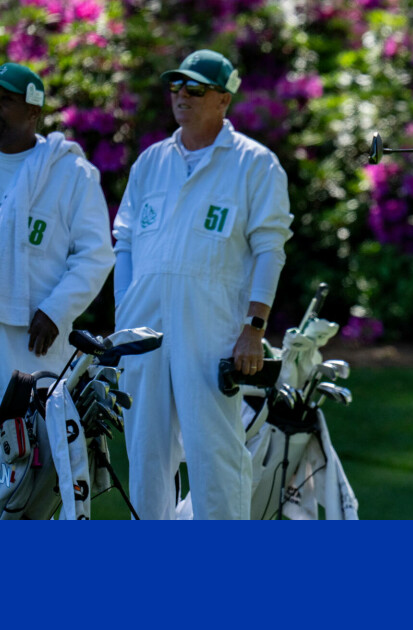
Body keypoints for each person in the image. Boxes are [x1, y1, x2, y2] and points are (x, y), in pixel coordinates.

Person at [112, 50, 293, 519]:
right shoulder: (151, 161)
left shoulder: (256, 164)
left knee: (214, 451)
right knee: (146, 449)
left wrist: (254, 326)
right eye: (176, 87)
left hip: (212, 327)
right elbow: (125, 241)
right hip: (144, 330)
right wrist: (124, 317)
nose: (181, 97)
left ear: (224, 100)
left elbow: (270, 248)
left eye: (194, 89)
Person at [0, 62, 114, 487]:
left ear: (33, 111)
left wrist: (55, 310)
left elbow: (95, 255)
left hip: (29, 337)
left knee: (32, 455)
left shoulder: (68, 174)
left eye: (6, 100)